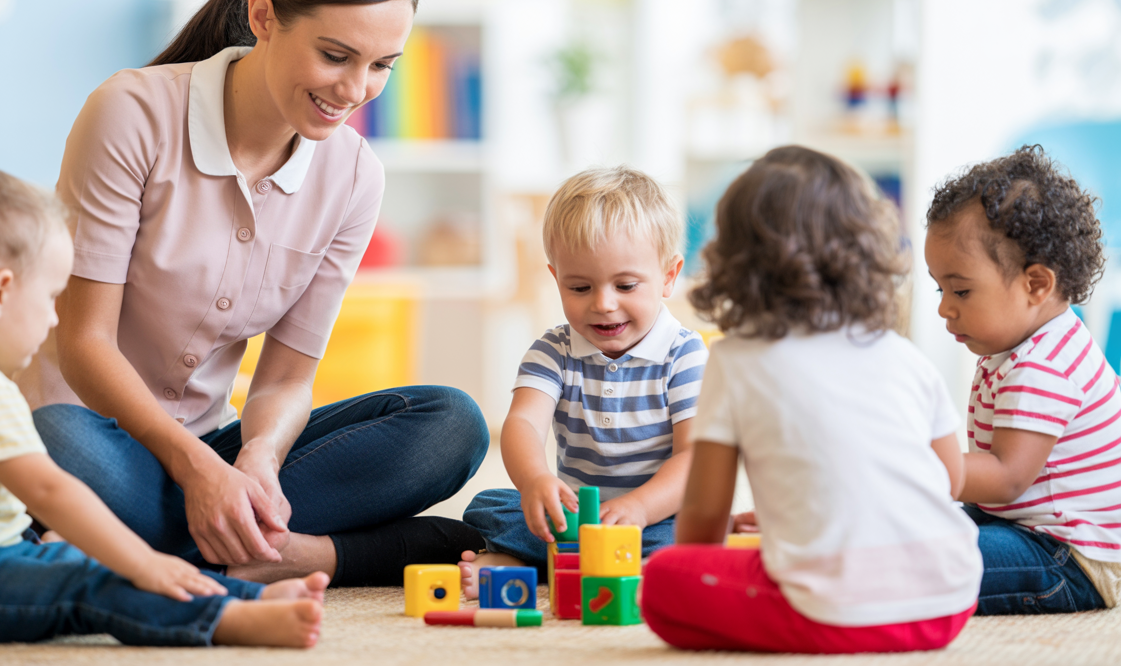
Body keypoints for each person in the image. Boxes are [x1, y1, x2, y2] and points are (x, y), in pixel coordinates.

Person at [16, 0, 489, 587]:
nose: (356, 89)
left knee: (452, 424)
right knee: (52, 441)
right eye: (335, 55)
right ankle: (304, 554)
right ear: (264, 17)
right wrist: (195, 471)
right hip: (93, 433)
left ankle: (126, 550)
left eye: (383, 65)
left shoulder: (354, 177)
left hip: (217, 447)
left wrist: (260, 457)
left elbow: (286, 380)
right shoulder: (131, 113)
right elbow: (84, 344)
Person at [0, 166, 327, 647]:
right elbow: (50, 492)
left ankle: (243, 596)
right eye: (52, 297)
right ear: (0, 293)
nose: (55, 317)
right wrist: (142, 561)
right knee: (91, 581)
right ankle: (230, 620)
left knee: (76, 557)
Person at [642, 146, 981, 654]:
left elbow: (706, 518)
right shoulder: (902, 355)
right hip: (949, 602)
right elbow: (950, 480)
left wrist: (706, 567)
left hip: (835, 612)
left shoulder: (735, 360)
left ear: (736, 259)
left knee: (663, 577)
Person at [457, 166, 708, 595]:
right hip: (572, 518)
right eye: (579, 288)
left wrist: (640, 507)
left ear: (668, 276)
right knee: (490, 506)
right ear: (556, 279)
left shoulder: (683, 355)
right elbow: (523, 424)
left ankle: (584, 564)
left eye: (626, 285)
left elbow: (694, 458)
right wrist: (536, 481)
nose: (603, 304)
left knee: (695, 531)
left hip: (654, 518)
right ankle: (544, 558)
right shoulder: (553, 350)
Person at [924, 145, 1121, 614]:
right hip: (1023, 524)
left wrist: (919, 461)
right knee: (915, 525)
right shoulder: (1021, 340)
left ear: (1036, 284)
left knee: (927, 558)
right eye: (940, 288)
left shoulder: (1044, 365)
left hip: (1070, 559)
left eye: (962, 290)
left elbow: (1007, 478)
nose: (944, 308)